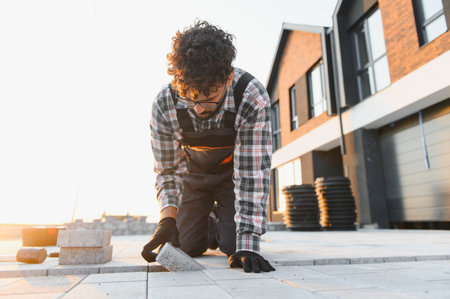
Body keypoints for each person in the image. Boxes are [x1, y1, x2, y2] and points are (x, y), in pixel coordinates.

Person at [141, 20, 275, 273]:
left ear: (228, 78)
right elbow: (168, 171)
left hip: (232, 176)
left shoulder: (251, 97)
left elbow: (252, 175)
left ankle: (229, 227)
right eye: (191, 99)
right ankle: (212, 221)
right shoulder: (164, 103)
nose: (199, 109)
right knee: (186, 245)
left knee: (235, 246)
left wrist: (248, 243)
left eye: (210, 99)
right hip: (193, 175)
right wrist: (167, 220)